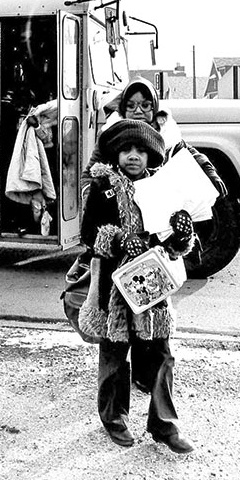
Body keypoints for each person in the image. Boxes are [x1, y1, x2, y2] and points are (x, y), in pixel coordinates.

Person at [79, 119, 197, 454]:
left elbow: (171, 244)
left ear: (151, 156)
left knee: (162, 352)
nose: (133, 156)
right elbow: (89, 235)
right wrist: (118, 240)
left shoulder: (161, 188)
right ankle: (114, 418)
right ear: (116, 153)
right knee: (115, 354)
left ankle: (165, 426)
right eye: (127, 150)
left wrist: (181, 236)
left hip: (153, 286)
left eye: (141, 151)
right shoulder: (104, 188)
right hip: (114, 288)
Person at [82, 77, 227, 201]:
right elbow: (89, 175)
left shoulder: (167, 134)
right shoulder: (110, 136)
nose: (138, 111)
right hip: (121, 211)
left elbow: (189, 154)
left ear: (154, 108)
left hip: (158, 211)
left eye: (145, 105)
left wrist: (209, 172)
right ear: (123, 109)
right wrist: (93, 200)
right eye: (131, 106)